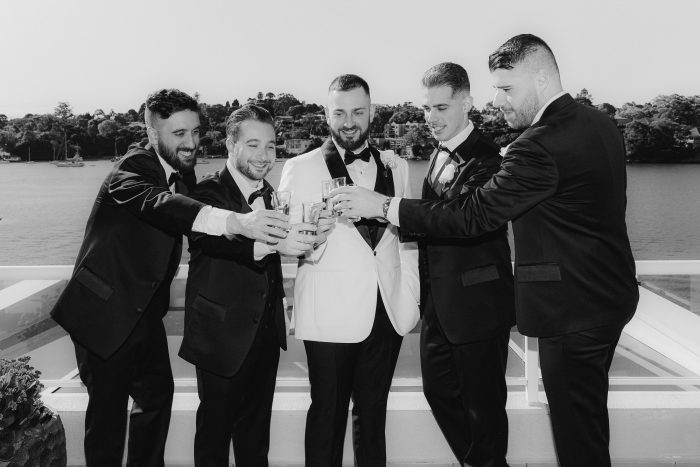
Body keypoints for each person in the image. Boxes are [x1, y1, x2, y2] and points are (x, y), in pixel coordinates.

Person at [334, 35, 639, 467]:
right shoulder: (601, 124)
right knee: (586, 431)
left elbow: (474, 215)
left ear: (540, 77)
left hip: (569, 311)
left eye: (507, 88)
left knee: (579, 444)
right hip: (609, 298)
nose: (498, 100)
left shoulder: (536, 145)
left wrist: (383, 206)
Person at [51, 89, 289, 466]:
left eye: (195, 132)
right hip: (103, 312)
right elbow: (160, 204)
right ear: (152, 132)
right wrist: (236, 221)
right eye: (178, 134)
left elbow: (200, 230)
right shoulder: (131, 167)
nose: (190, 143)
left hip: (146, 314)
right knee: (108, 422)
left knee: (156, 400)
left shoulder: (183, 170)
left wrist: (265, 241)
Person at [278, 74, 420, 467]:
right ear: (327, 114)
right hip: (329, 316)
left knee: (373, 419)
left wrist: (410, 297)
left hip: (385, 312)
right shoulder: (300, 167)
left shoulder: (396, 167)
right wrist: (314, 233)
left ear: (371, 112)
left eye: (358, 112)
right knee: (327, 416)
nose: (349, 122)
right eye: (339, 113)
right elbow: (289, 241)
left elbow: (407, 240)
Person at [179, 104, 322, 466]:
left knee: (256, 441)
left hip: (265, 337)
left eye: (271, 146)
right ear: (231, 145)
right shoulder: (205, 193)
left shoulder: (272, 194)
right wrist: (275, 244)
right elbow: (211, 241)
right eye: (254, 145)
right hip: (220, 336)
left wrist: (310, 236)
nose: (264, 155)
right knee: (214, 439)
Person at [405, 62, 515, 466]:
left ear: (467, 103)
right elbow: (431, 224)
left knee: (484, 412)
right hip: (438, 305)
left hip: (479, 305)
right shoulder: (437, 153)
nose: (431, 118)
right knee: (437, 392)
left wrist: (388, 208)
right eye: (426, 108)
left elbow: (462, 218)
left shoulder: (492, 159)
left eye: (441, 108)